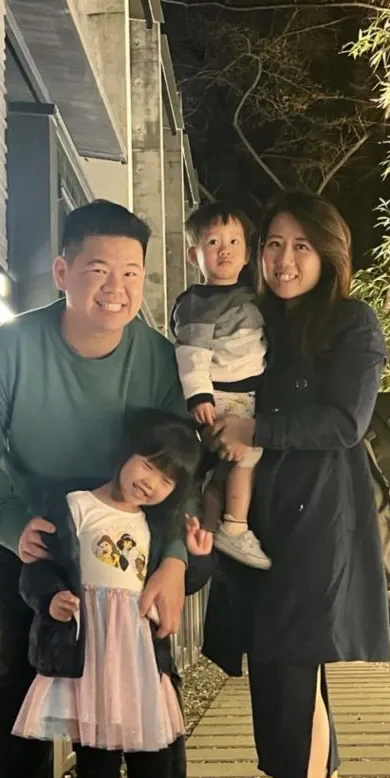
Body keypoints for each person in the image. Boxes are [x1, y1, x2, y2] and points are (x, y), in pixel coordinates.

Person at [0, 200, 224, 778]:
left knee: (153, 673)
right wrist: (8, 524)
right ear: (63, 271)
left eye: (131, 272)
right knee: (20, 667)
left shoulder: (156, 359)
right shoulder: (8, 350)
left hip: (130, 537)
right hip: (37, 532)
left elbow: (183, 469)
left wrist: (173, 560)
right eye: (99, 269)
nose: (117, 287)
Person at [204, 191, 390, 778]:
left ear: (330, 253)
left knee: (287, 668)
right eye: (274, 245)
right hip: (256, 518)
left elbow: (346, 421)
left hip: (320, 517)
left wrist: (258, 429)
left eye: (301, 246)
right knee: (292, 666)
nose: (284, 260)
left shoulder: (351, 321)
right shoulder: (251, 320)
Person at [15, 411, 215, 778]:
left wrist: (198, 557)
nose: (152, 482)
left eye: (167, 480)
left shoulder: (157, 524)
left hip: (141, 657)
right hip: (92, 655)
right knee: (97, 761)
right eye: (149, 464)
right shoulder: (76, 507)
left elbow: (182, 586)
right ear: (126, 451)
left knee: (153, 758)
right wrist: (51, 599)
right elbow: (37, 568)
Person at [170, 203, 271, 570]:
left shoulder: (250, 297)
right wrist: (200, 395)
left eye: (233, 241)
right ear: (193, 254)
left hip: (248, 393)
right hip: (224, 395)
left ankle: (210, 526)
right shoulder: (197, 304)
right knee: (248, 455)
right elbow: (191, 354)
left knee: (224, 469)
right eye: (213, 242)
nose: (224, 250)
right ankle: (235, 526)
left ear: (247, 254)